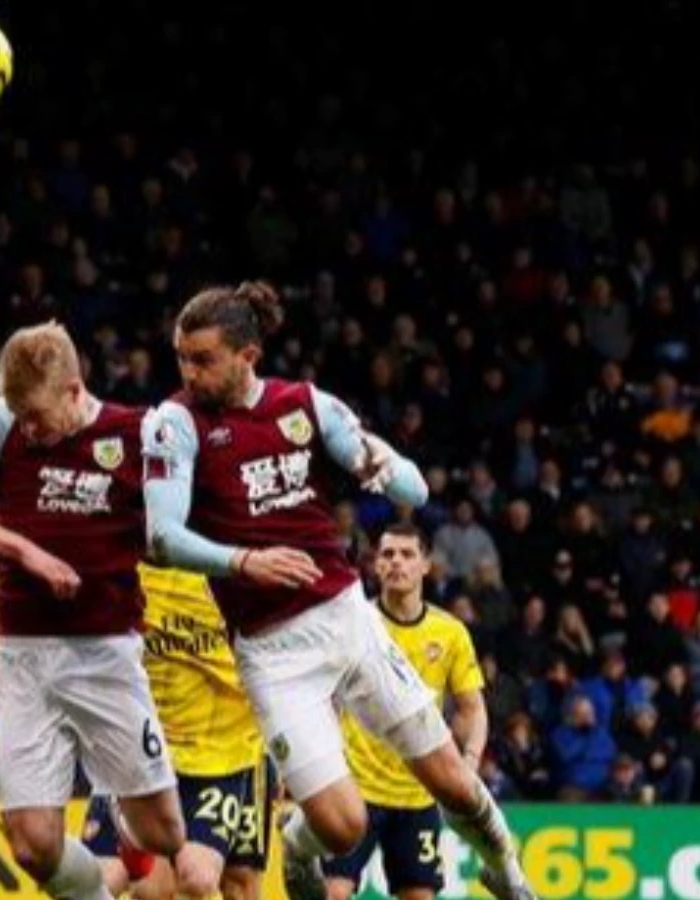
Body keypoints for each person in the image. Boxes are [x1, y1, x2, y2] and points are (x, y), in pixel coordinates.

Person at [142, 282, 532, 900]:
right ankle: (298, 847)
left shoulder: (307, 406)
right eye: (182, 359)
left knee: (453, 782)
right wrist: (245, 562)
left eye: (203, 359)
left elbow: (414, 493)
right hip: (270, 653)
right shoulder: (175, 422)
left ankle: (506, 871)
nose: (189, 373)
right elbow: (161, 536)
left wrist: (384, 465)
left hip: (347, 622)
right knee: (342, 825)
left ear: (248, 355)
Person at [0, 322, 185, 900]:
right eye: (19, 415)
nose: (28, 428)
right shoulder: (2, 419)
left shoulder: (135, 432)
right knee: (31, 844)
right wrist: (26, 551)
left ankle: (123, 817)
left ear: (75, 391)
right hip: (26, 655)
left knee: (166, 831)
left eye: (39, 417)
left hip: (106, 651)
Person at [81, 565, 274, 900]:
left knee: (230, 881)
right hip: (147, 746)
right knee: (142, 889)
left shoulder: (235, 564)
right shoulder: (123, 562)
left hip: (227, 745)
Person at [325, 525, 489, 900]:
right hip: (355, 791)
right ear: (375, 567)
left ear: (427, 565)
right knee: (332, 893)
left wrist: (468, 763)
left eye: (407, 554)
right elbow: (322, 697)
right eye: (387, 554)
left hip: (419, 794)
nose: (396, 562)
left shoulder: (450, 633)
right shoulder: (353, 625)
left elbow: (472, 709)